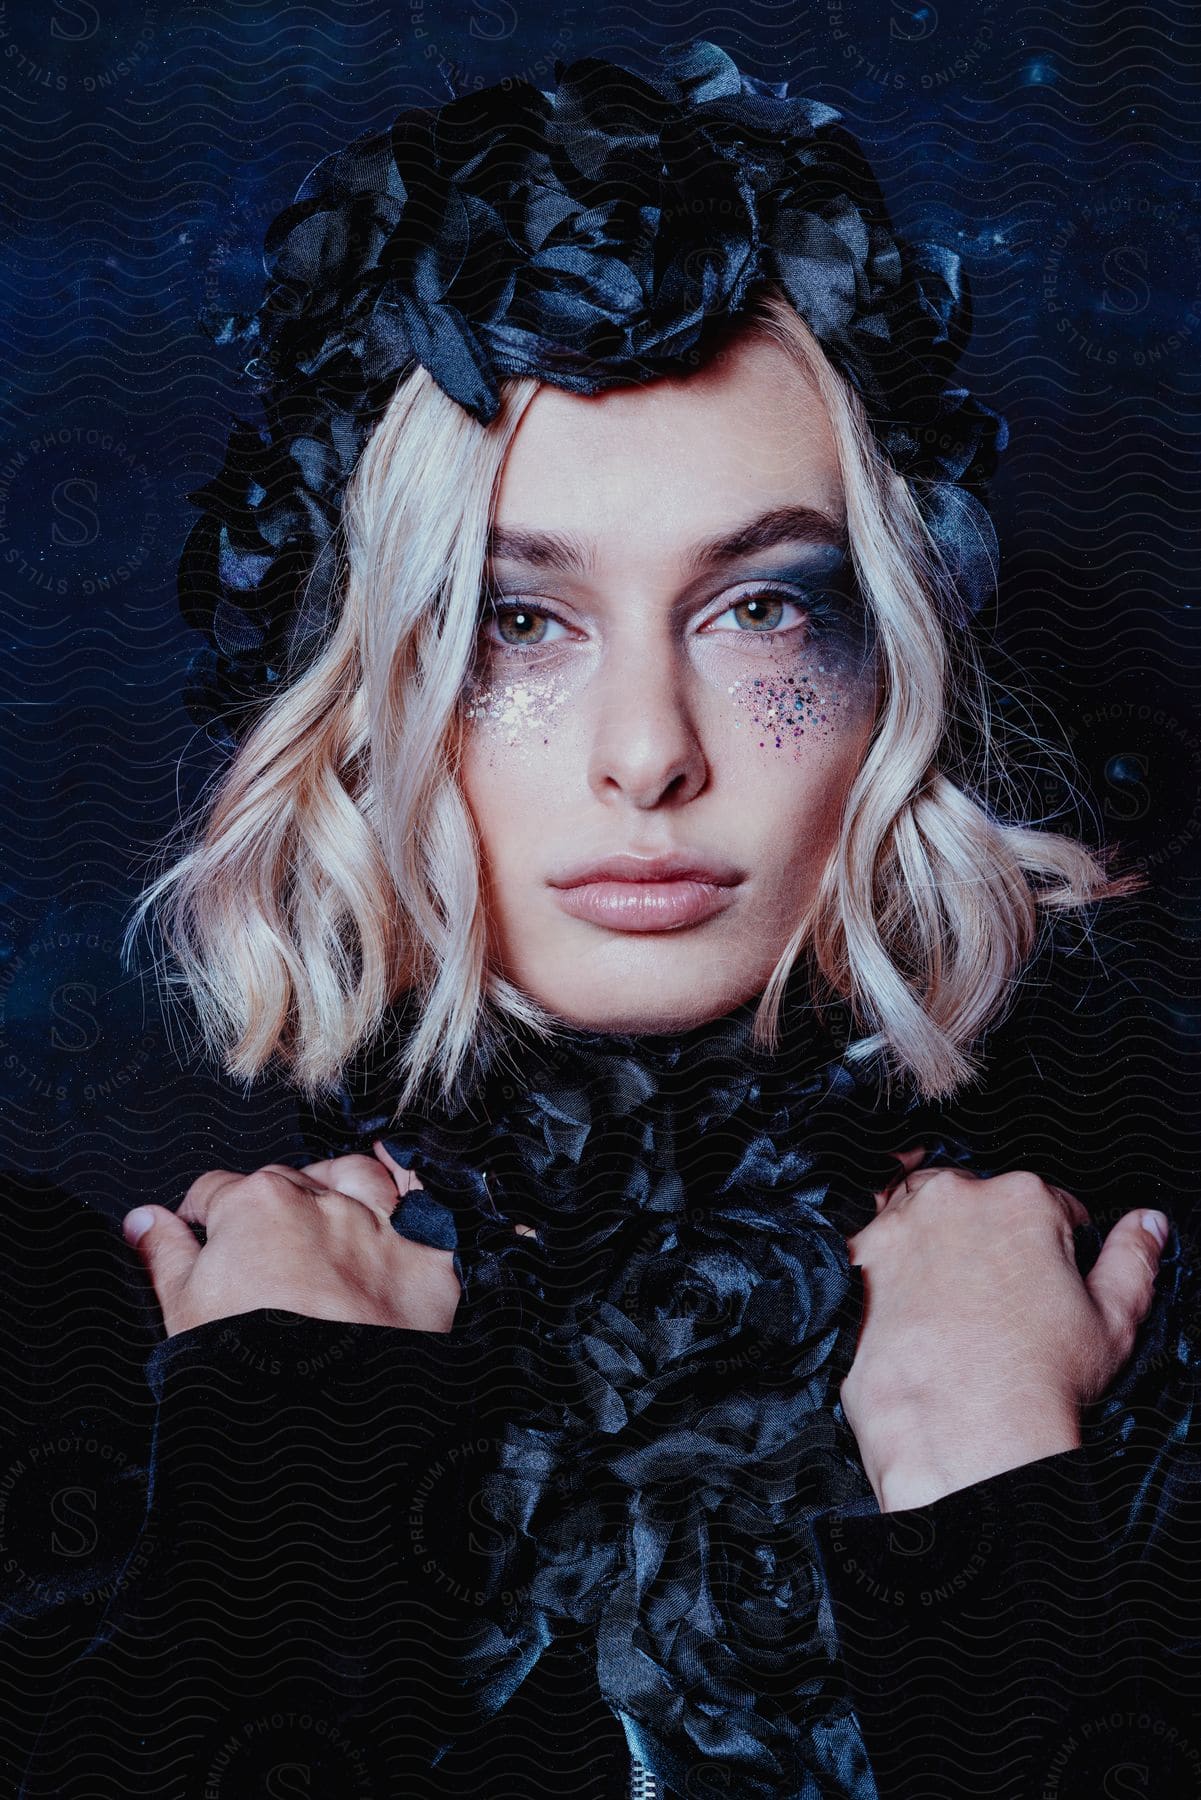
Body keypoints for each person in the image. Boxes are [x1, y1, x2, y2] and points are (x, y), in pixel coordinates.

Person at [13, 37, 1199, 1800]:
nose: (649, 754)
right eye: (515, 624)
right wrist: (283, 1476)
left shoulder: (1133, 1352)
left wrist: (987, 1471)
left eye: (764, 612)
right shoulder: (81, 1357)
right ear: (357, 685)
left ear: (898, 675)